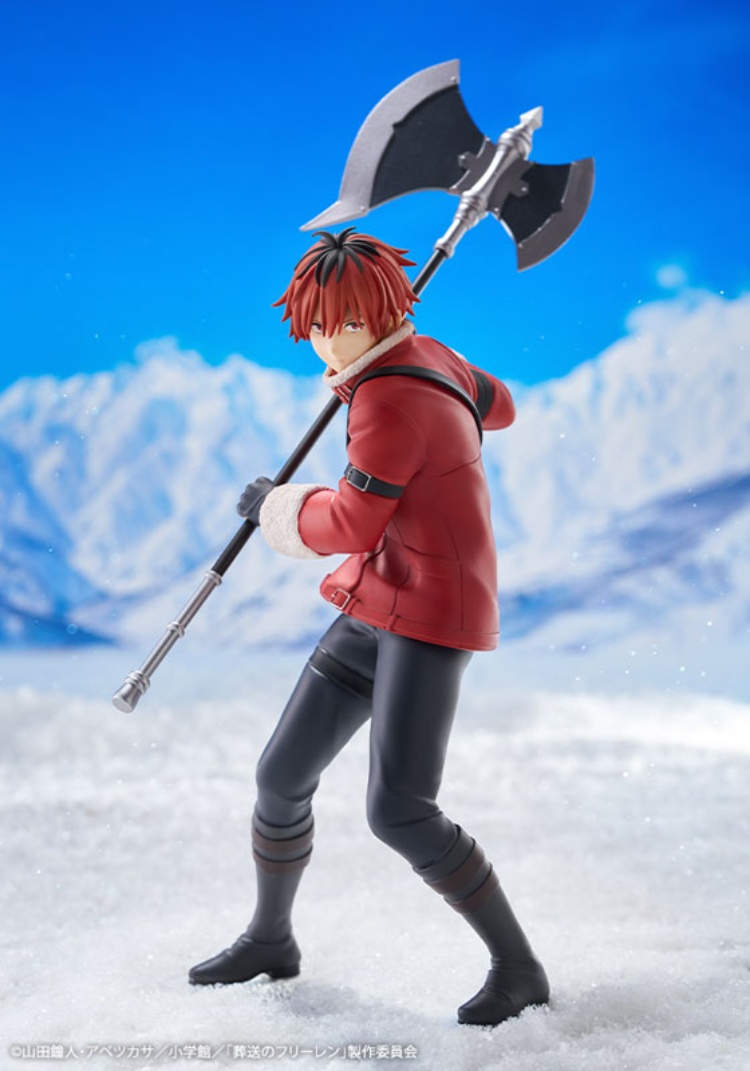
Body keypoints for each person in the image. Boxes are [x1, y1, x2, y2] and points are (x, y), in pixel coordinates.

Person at [188, 229, 549, 1026]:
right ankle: (271, 938)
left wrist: (276, 506)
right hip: (377, 596)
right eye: (320, 325)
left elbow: (351, 521)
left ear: (385, 310)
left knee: (400, 809)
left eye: (349, 323)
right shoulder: (422, 359)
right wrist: (425, 364)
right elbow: (502, 404)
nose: (331, 342)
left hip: (430, 613)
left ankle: (520, 968)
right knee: (281, 775)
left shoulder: (387, 399)